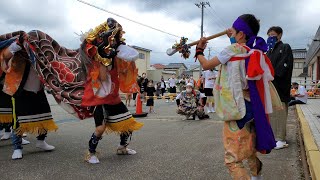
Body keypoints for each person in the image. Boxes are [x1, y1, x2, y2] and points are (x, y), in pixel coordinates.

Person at [196, 14, 276, 179]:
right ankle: (257, 177)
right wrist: (233, 36)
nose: (231, 34)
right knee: (250, 150)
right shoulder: (252, 51)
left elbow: (206, 65)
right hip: (251, 107)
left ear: (241, 35)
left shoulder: (232, 50)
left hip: (236, 109)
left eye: (234, 32)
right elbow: (237, 49)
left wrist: (199, 50)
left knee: (232, 159)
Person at [0, 38, 57, 160]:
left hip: (38, 91)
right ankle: (17, 148)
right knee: (18, 122)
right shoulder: (17, 51)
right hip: (20, 91)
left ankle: (41, 141)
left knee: (45, 116)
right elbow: (5, 55)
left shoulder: (40, 56)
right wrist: (18, 44)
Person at [266, 26, 294, 150]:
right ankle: (273, 137)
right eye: (269, 35)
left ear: (280, 35)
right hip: (270, 85)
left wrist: (273, 75)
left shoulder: (285, 47)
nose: (270, 37)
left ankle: (280, 139)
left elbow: (283, 66)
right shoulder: (269, 51)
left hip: (280, 85)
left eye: (273, 35)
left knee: (280, 112)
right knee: (272, 113)